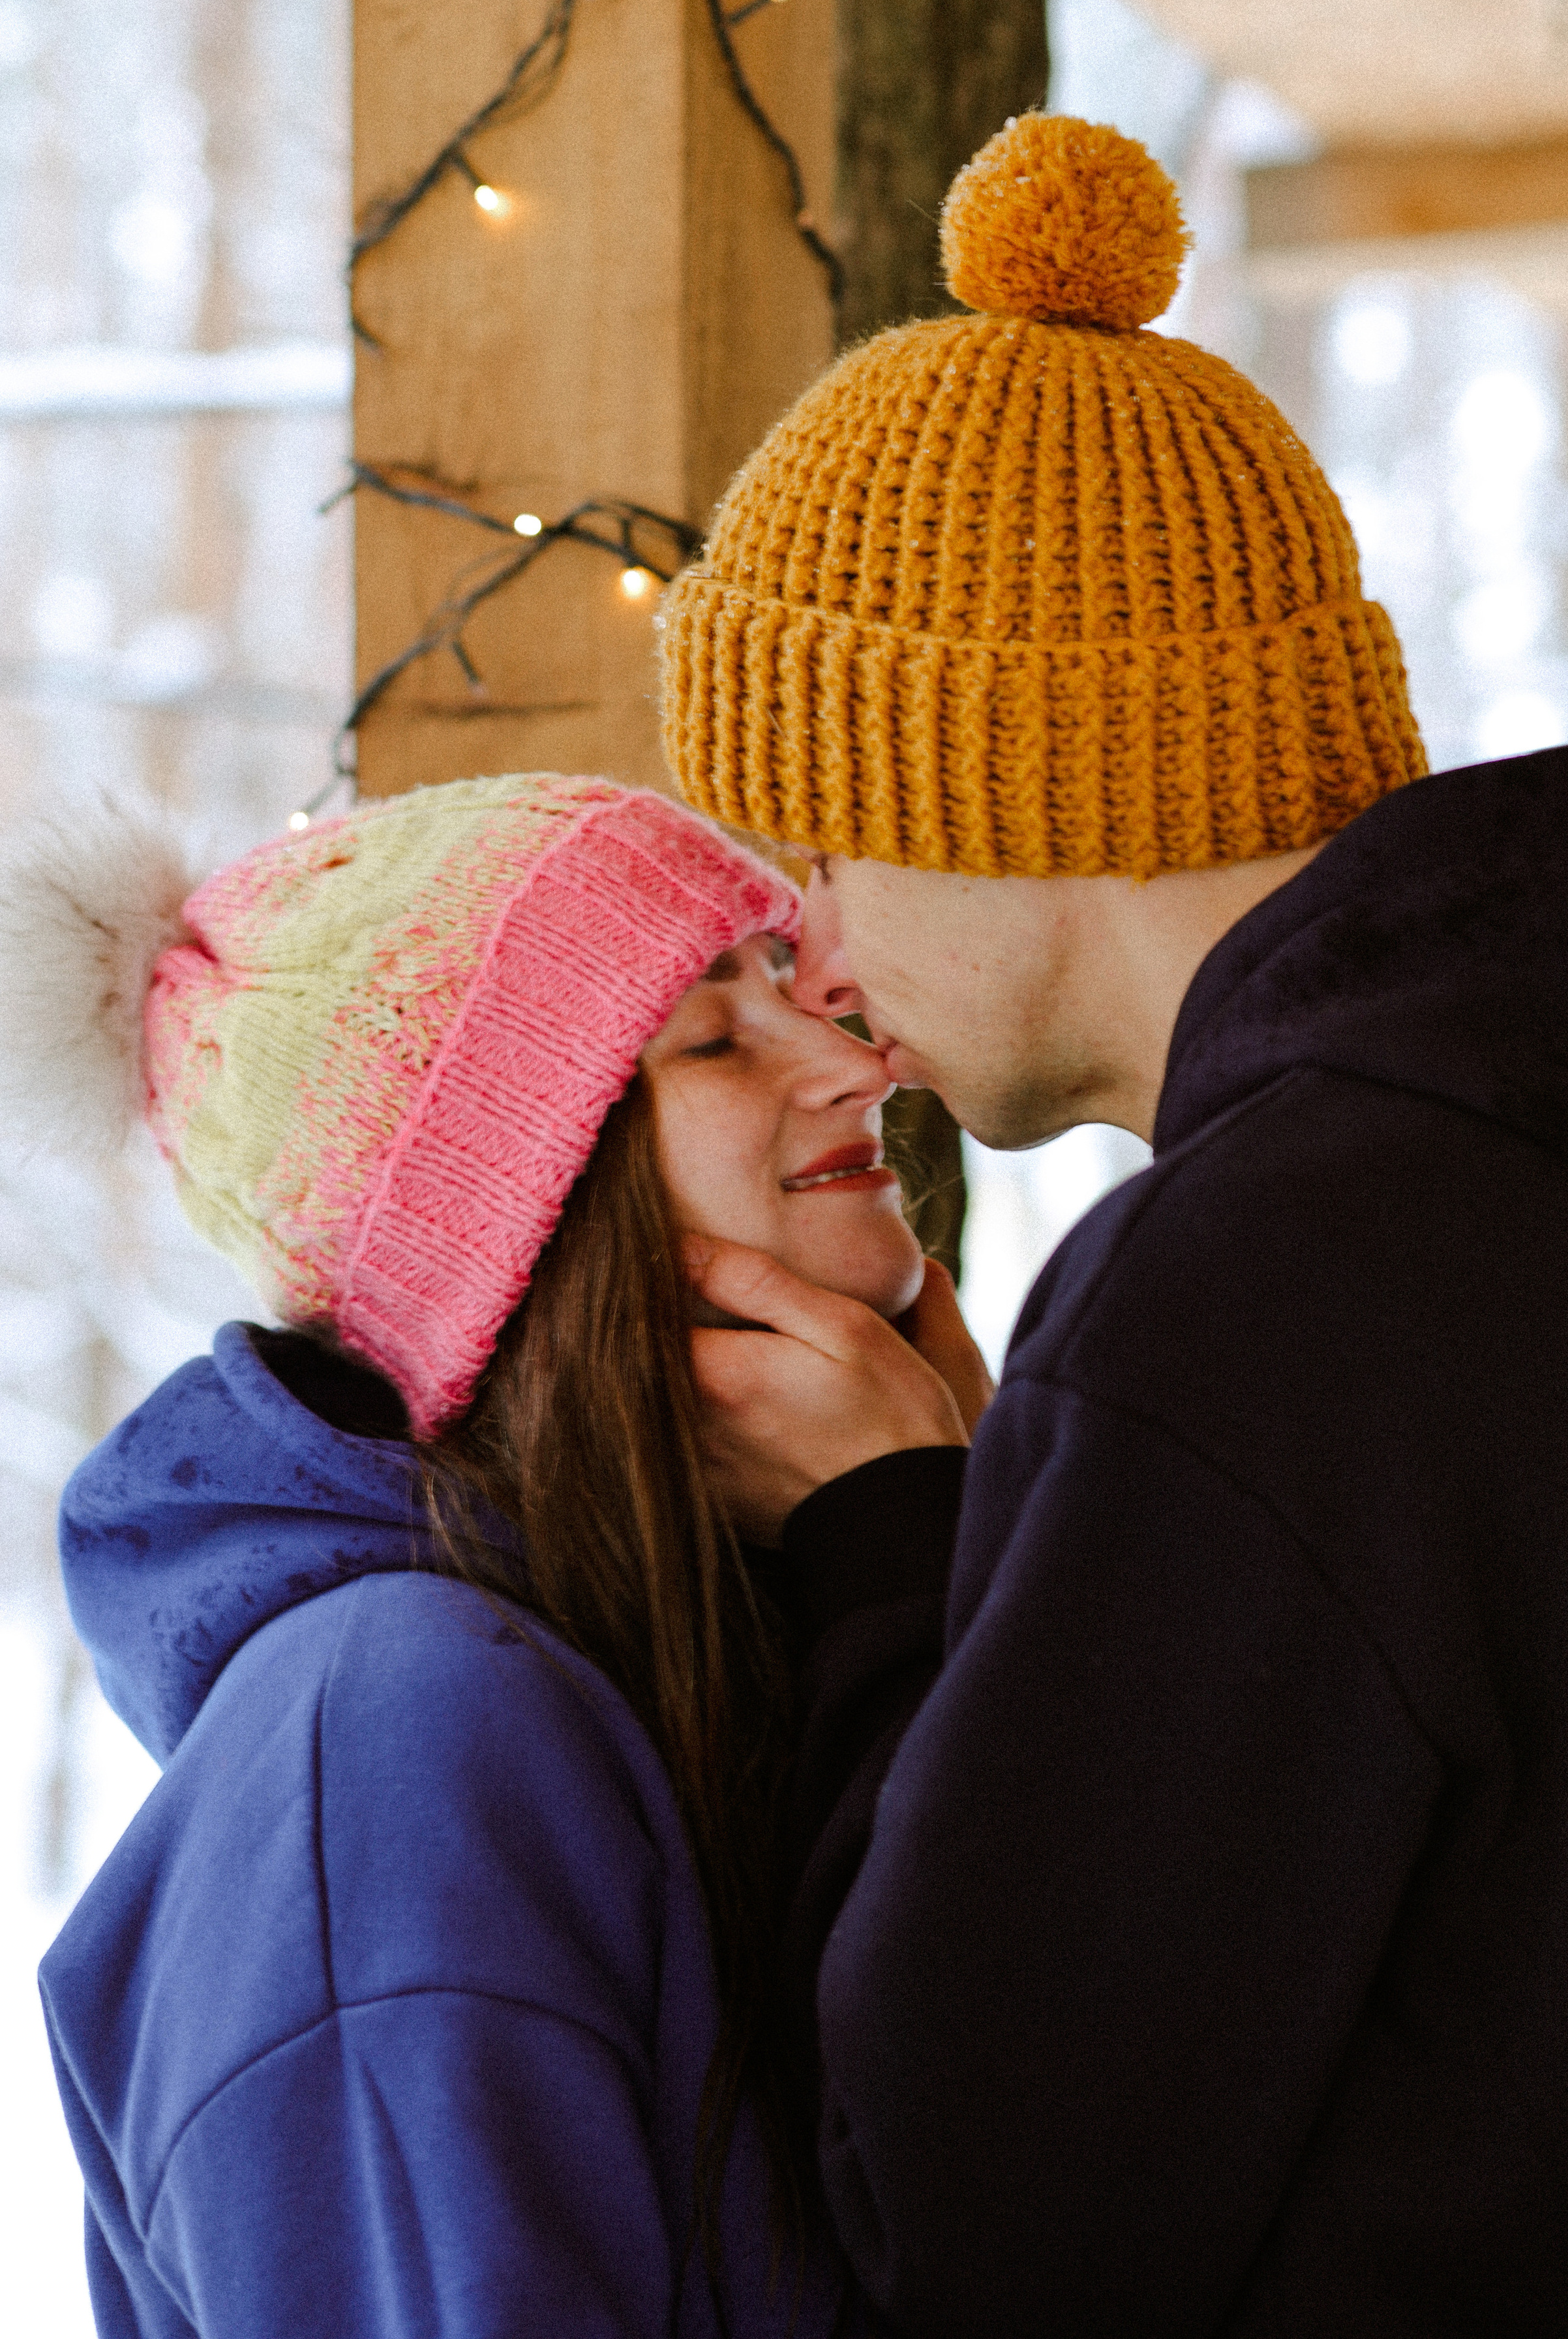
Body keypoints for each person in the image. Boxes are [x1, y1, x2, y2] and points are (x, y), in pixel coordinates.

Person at [659, 114, 1568, 2335]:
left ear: (1000, 775)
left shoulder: (1259, 1304)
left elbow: (978, 2220)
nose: (812, 956)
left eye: (816, 848)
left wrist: (886, 1551)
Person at [8, 772, 985, 2339]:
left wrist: (942, 1550)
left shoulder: (735, 1629)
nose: (856, 1058)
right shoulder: (391, 1746)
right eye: (717, 1040)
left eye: (798, 985)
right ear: (522, 1232)